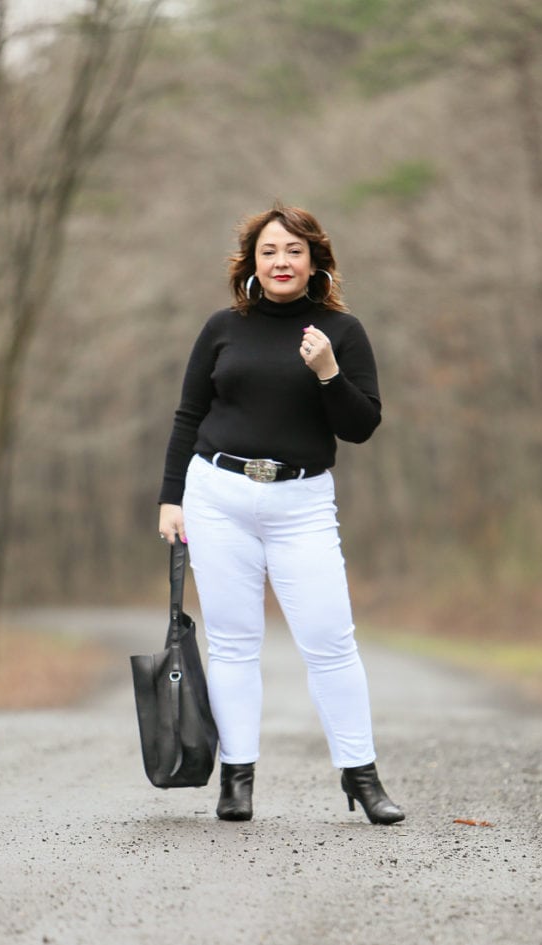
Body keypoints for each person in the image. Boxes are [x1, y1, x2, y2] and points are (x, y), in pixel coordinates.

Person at [158, 202, 404, 825]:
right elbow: (189, 415)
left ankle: (362, 776)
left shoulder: (341, 333)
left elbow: (362, 426)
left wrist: (327, 373)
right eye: (269, 251)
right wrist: (171, 497)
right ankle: (236, 781)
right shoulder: (222, 327)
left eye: (294, 251)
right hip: (217, 494)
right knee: (235, 644)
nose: (281, 262)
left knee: (329, 640)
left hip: (301, 502)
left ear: (316, 261)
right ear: (252, 263)